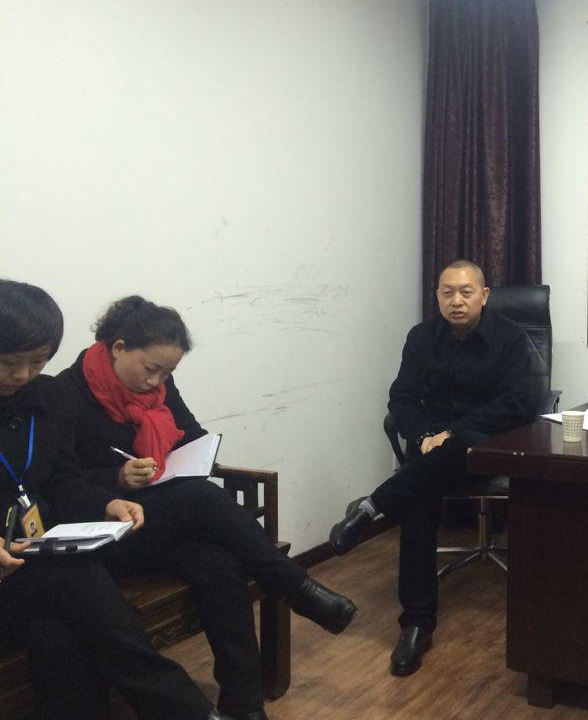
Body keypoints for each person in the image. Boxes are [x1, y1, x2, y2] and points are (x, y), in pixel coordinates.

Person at [57, 295, 358, 720]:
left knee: (217, 564)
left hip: (161, 521)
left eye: (168, 373)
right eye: (150, 369)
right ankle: (294, 586)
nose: (156, 381)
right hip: (106, 533)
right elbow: (59, 482)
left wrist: (193, 457)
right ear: (119, 348)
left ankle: (244, 704)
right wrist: (116, 478)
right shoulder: (64, 394)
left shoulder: (159, 389)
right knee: (199, 498)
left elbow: (192, 436)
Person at [0, 279, 221, 720]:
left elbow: (62, 479)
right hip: (21, 572)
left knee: (56, 638)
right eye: (8, 362)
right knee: (76, 576)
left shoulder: (49, 399)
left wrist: (106, 503)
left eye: (38, 361)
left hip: (26, 567)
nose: (22, 375)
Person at [328, 259, 535, 676]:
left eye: (466, 292)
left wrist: (451, 433)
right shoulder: (421, 337)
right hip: (429, 449)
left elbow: (516, 404)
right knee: (419, 499)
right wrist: (425, 434)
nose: (457, 301)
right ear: (437, 296)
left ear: (484, 296)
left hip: (482, 445)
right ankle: (416, 625)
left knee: (444, 458)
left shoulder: (511, 338)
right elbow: (401, 398)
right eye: (447, 292)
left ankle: (371, 506)